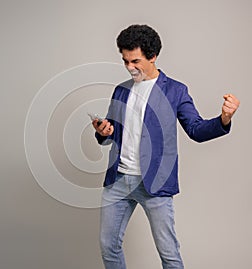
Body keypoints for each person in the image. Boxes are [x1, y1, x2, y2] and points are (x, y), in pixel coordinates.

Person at [91, 24, 240, 269]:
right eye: (125, 61)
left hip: (155, 184)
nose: (130, 67)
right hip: (118, 180)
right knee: (109, 248)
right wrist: (103, 132)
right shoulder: (121, 90)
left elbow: (196, 130)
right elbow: (111, 134)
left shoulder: (176, 91)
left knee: (169, 254)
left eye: (135, 61)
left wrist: (224, 119)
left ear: (153, 56)